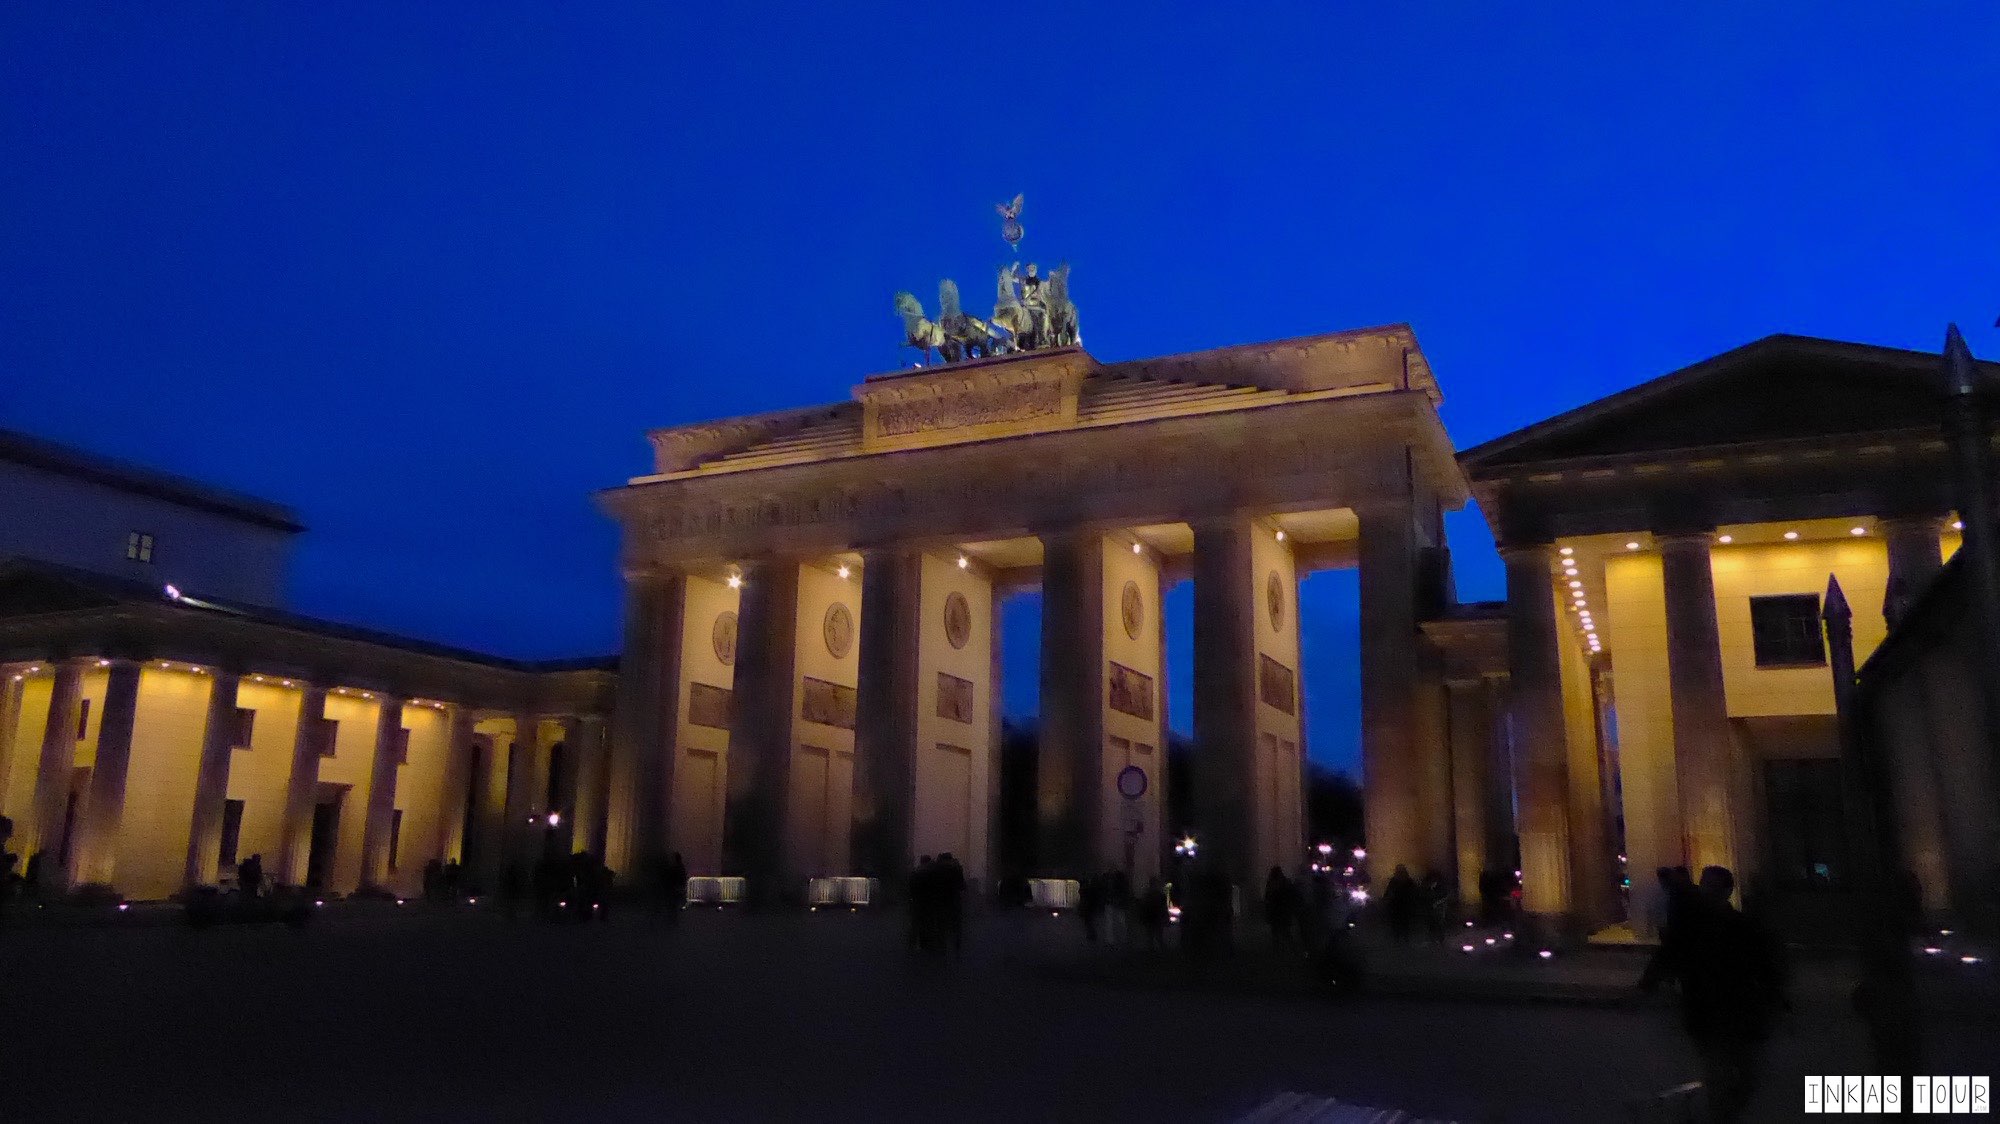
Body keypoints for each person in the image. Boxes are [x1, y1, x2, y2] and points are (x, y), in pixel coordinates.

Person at [1637, 865, 1787, 1122]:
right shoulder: (1692, 927)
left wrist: (1776, 998)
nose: (1709, 891)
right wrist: (1644, 987)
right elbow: (1667, 955)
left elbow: (1766, 964)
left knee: (1745, 1075)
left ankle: (1724, 1110)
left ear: (1727, 891)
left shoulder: (1742, 926)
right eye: (1706, 885)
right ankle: (1721, 1115)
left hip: (1738, 1011)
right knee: (1719, 1073)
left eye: (1715, 887)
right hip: (1706, 1011)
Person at [935, 852, 967, 955]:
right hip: (954, 899)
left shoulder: (937, 870)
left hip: (941, 900)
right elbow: (962, 886)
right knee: (956, 924)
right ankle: (956, 944)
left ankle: (942, 946)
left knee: (941, 924)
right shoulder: (956, 869)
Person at [1263, 867, 1297, 950]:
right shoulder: (1285, 882)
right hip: (1282, 909)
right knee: (1285, 930)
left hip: (1276, 909)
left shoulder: (1272, 883)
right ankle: (1290, 947)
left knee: (1277, 930)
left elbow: (1267, 896)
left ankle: (1278, 947)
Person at [1383, 865, 1417, 945]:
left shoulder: (1404, 880)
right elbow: (1389, 891)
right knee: (1402, 923)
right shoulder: (1405, 880)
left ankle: (1400, 939)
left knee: (1400, 923)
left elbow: (1414, 891)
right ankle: (1401, 939)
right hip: (1400, 904)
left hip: (1401, 904)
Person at [1137, 877, 1169, 951]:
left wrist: (1142, 918)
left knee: (1150, 937)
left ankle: (1151, 953)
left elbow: (1143, 907)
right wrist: (1166, 918)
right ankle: (1162, 952)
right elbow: (1163, 908)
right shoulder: (1160, 895)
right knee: (1159, 936)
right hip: (1157, 917)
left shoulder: (1147, 894)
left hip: (1150, 917)